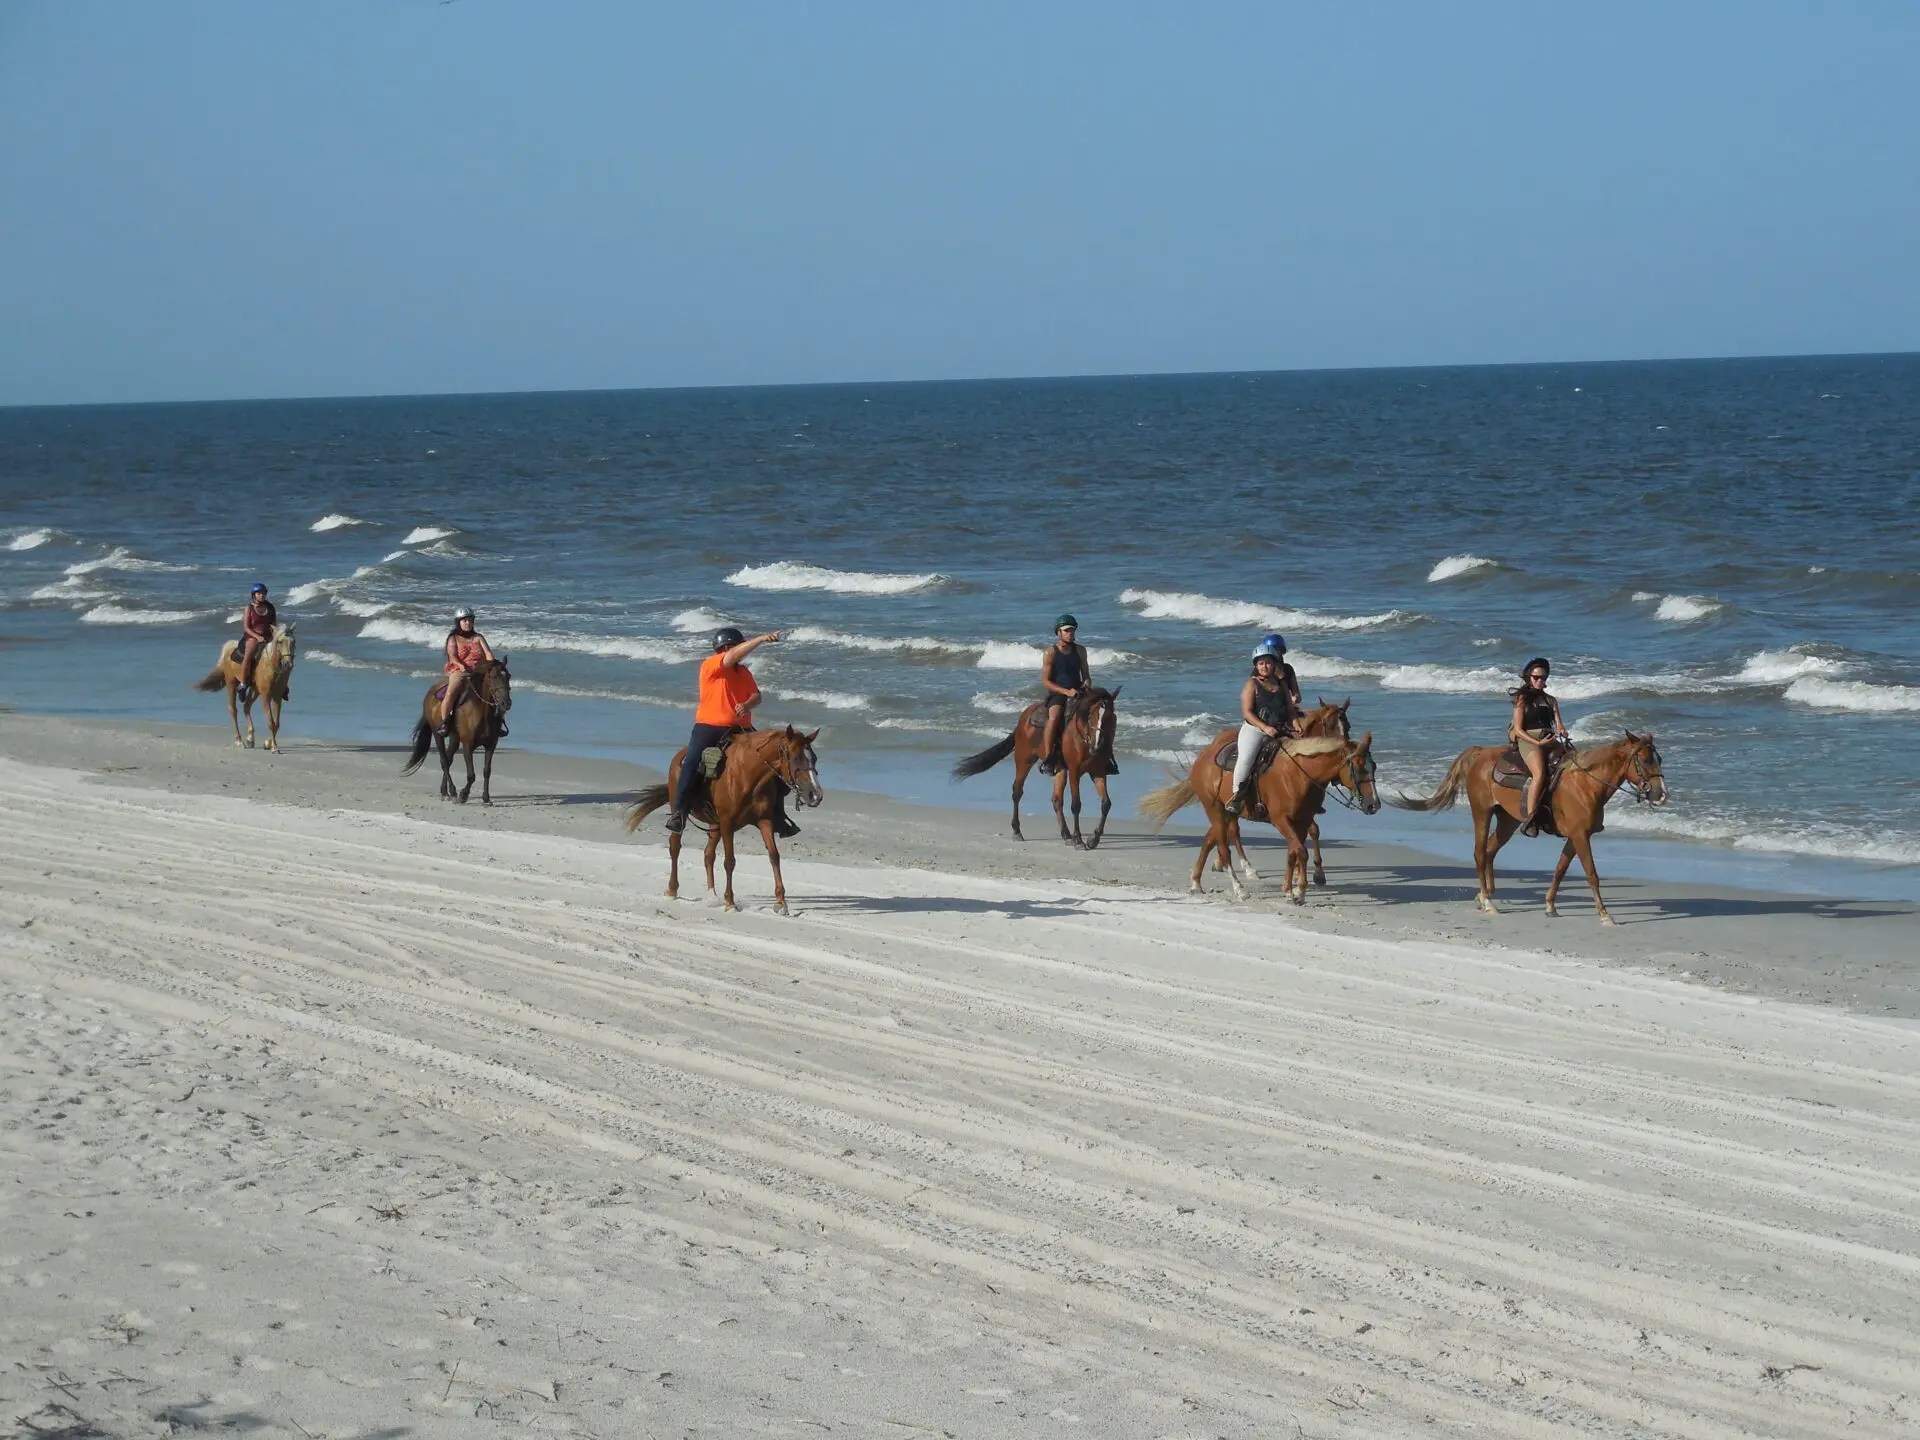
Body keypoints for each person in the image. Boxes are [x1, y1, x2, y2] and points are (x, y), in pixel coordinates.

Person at [665, 626, 799, 837]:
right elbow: (732, 656)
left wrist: (747, 704)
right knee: (690, 762)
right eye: (737, 647)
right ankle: (679, 813)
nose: (741, 651)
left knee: (773, 762)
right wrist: (761, 639)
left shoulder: (743, 672)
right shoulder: (711, 665)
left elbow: (757, 696)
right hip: (709, 726)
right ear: (726, 648)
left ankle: (778, 816)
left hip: (742, 729)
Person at [1223, 635, 1298, 816]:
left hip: (1280, 728)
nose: (1265, 666)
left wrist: (1296, 724)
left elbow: (1290, 708)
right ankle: (1237, 796)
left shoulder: (1281, 684)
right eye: (1261, 663)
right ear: (1256, 666)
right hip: (1255, 729)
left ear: (1274, 664)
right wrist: (1265, 728)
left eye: (1268, 663)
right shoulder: (1252, 684)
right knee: (1246, 758)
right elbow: (1247, 712)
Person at [1510, 656, 1571, 835]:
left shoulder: (1551, 701)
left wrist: (1562, 732)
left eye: (1543, 678)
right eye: (1536, 677)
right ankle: (1531, 818)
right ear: (1529, 677)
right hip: (1529, 739)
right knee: (1540, 773)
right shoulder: (1521, 699)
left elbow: (1559, 725)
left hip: (1549, 738)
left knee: (1573, 765)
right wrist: (1537, 742)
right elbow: (1519, 730)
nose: (1539, 681)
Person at [1037, 613, 1092, 776]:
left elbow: (1086, 675)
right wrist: (1066, 691)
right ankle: (1048, 758)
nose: (1071, 633)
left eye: (1072, 630)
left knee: (1099, 715)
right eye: (1067, 630)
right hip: (1058, 693)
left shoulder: (1080, 650)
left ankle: (1105, 757)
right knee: (1054, 718)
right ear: (1058, 632)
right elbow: (1046, 681)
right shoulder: (1051, 652)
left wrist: (1087, 686)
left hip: (1078, 691)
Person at [436, 607, 497, 736]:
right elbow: (452, 655)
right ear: (458, 622)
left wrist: (492, 663)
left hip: (480, 669)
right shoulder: (453, 638)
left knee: (496, 689)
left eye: (470, 621)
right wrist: (460, 665)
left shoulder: (478, 637)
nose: (468, 623)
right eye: (464, 621)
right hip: (460, 670)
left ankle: (497, 723)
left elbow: (488, 653)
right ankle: (445, 722)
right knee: (451, 692)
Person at [235, 584, 278, 703]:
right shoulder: (249, 608)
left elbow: (274, 623)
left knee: (282, 654)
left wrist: (277, 634)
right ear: (254, 595)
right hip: (252, 636)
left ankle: (282, 685)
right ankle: (243, 684)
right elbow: (246, 628)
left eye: (263, 593)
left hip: (268, 635)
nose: (262, 595)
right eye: (259, 593)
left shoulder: (270, 607)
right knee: (248, 656)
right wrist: (257, 637)